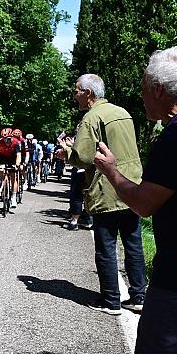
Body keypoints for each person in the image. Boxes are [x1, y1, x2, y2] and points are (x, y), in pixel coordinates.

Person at [94, 46, 177, 354]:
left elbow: (143, 204)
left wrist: (110, 170)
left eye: (142, 87)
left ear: (158, 89)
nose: (141, 95)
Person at [57, 73, 145, 315]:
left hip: (106, 188)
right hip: (132, 186)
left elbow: (84, 159)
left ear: (89, 93)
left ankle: (111, 300)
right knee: (133, 243)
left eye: (76, 90)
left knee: (106, 246)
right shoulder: (123, 112)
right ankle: (139, 297)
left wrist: (66, 153)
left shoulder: (91, 118)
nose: (74, 95)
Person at [0, 128, 22, 208]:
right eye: (4, 139)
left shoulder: (16, 142)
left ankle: (14, 197)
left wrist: (17, 164)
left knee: (13, 176)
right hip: (3, 158)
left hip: (12, 158)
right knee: (0, 171)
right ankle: (3, 184)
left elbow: (18, 155)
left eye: (8, 139)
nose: (6, 141)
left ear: (11, 137)